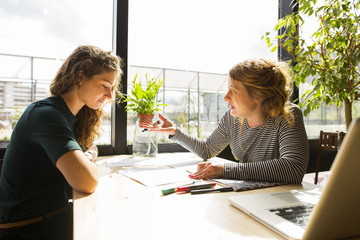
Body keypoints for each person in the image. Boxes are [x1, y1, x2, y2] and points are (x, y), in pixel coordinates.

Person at [0, 45, 122, 240]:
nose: (109, 96)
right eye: (104, 86)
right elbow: (87, 181)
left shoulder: (73, 116)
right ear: (81, 77)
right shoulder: (46, 115)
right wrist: (87, 160)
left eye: (112, 88)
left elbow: (91, 147)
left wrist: (86, 156)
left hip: (52, 216)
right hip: (26, 228)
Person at [144, 58, 309, 184]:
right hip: (249, 194)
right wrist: (175, 132)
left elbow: (293, 168)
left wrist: (225, 170)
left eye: (234, 90)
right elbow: (207, 150)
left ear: (259, 95)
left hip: (278, 199)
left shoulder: (288, 117)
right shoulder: (232, 119)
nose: (225, 97)